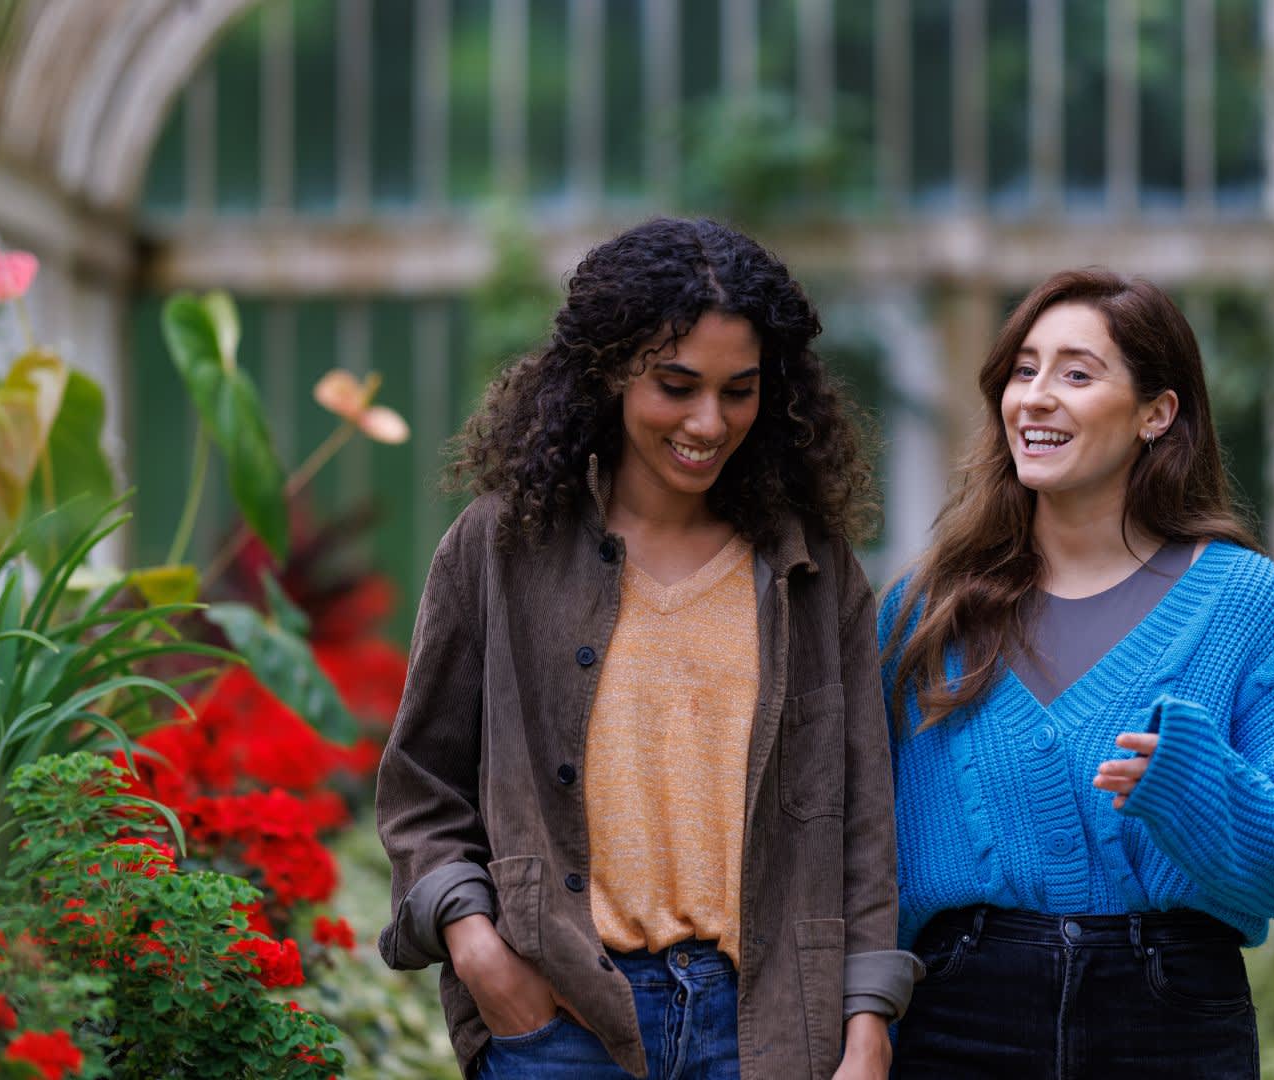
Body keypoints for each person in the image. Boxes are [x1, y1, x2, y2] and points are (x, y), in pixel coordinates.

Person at [375, 217, 922, 1080]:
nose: (709, 421)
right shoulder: (498, 548)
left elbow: (862, 818)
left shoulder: (811, 573)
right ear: (609, 372)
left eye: (739, 390)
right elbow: (422, 787)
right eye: (677, 385)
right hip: (557, 1017)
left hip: (770, 1026)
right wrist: (478, 951)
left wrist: (867, 1020)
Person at [878, 268, 1274, 1077]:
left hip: (1171, 1017)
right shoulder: (926, 612)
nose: (1035, 397)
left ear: (1155, 413)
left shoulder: (1246, 603)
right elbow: (868, 857)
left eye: (1076, 373)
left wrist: (1198, 788)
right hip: (958, 1015)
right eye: (1023, 370)